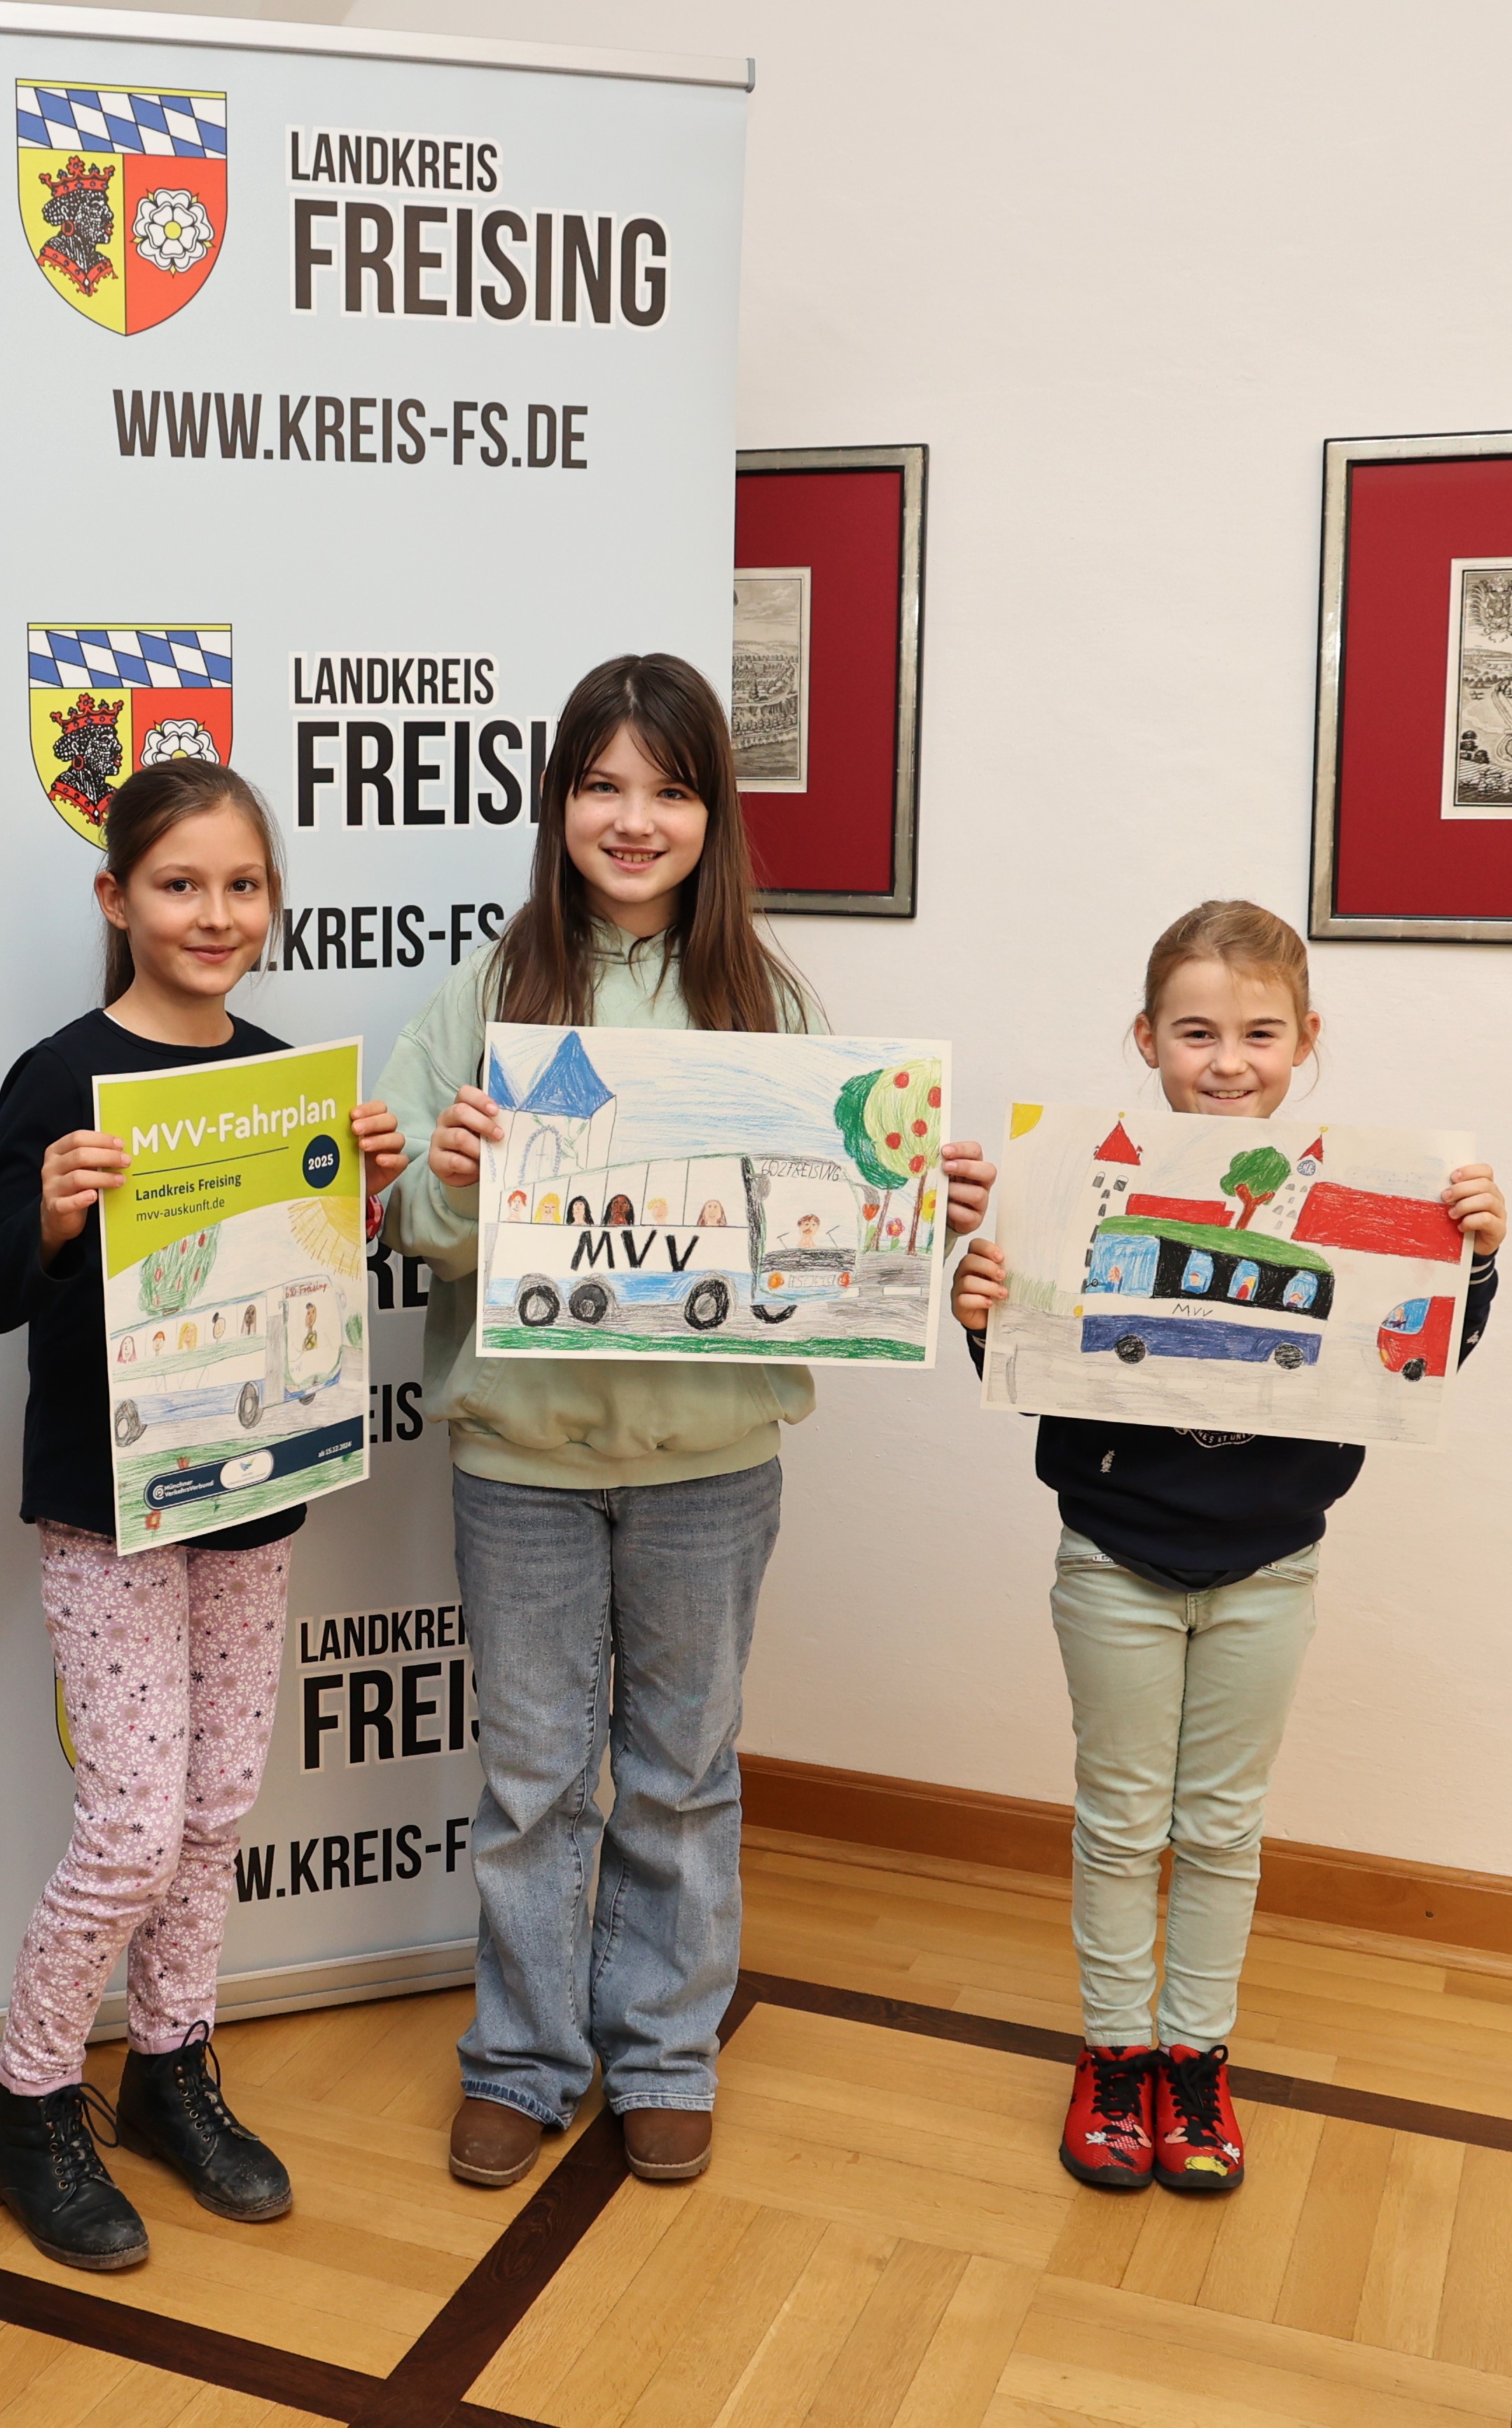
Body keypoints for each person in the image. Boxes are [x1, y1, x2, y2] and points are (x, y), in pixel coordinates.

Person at [380, 653, 992, 2190]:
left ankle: (661, 2049)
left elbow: (829, 1239)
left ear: (714, 811)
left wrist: (914, 1208)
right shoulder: (482, 995)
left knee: (680, 1769)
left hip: (712, 1465)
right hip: (520, 1461)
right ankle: (521, 2058)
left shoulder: (770, 1007)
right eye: (601, 784)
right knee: (531, 1779)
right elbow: (407, 1229)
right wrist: (451, 1179)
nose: (633, 818)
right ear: (558, 805)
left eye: (667, 787)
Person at [951, 902, 1508, 2197]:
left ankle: (1194, 2058)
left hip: (1271, 1568)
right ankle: (1115, 2052)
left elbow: (1411, 1359)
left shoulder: (1360, 1199)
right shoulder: (1075, 1191)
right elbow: (1046, 1373)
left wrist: (1472, 1262)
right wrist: (985, 1317)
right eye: (1195, 1031)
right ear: (1145, 1039)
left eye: (1259, 1033)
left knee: (1219, 1825)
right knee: (1118, 1818)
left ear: (1305, 1041)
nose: (1226, 1059)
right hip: (1112, 1559)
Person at [0, 760, 408, 2270]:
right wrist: (50, 1214)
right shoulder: (60, 1076)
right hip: (109, 1511)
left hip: (251, 1495)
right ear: (116, 897)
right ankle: (30, 2100)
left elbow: (304, 1286)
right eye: (179, 883)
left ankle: (168, 2064)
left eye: (241, 884)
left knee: (213, 1811)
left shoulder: (280, 1080)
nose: (214, 913)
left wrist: (363, 1197)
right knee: (133, 1828)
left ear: (272, 902)